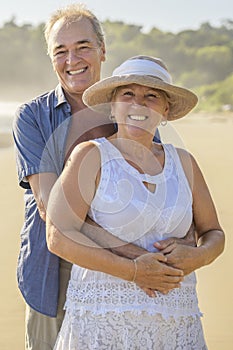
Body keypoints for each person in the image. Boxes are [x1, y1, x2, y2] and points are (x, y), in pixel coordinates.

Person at [12, 4, 186, 349]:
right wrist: (134, 259)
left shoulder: (133, 109)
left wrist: (181, 246)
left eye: (83, 47)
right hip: (54, 271)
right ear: (51, 59)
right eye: (60, 51)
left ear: (103, 50)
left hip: (128, 276)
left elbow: (159, 189)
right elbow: (52, 212)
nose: (72, 59)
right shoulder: (32, 117)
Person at [46, 55, 225, 349]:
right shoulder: (90, 156)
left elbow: (214, 233)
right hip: (102, 323)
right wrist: (133, 272)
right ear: (113, 107)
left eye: (151, 96)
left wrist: (199, 256)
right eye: (127, 94)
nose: (138, 104)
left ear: (165, 110)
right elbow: (57, 236)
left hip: (175, 324)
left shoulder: (184, 163)